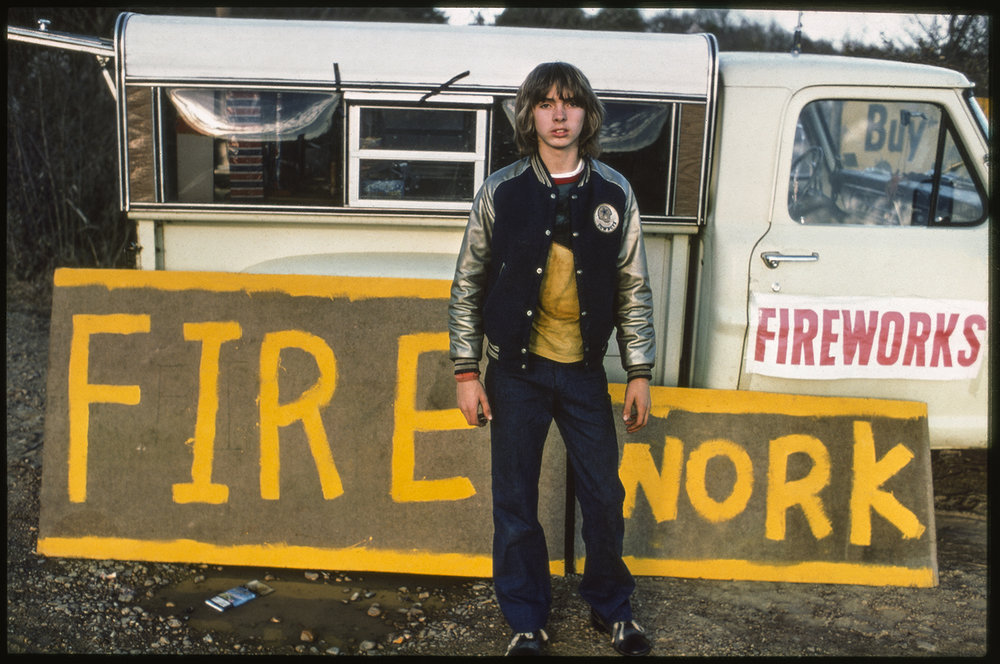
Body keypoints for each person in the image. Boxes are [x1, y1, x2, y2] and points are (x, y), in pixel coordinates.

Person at [448, 61, 655, 657]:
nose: (558, 114)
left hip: (585, 372)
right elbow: (467, 284)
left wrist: (638, 371)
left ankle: (612, 610)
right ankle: (526, 620)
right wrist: (466, 372)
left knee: (604, 498)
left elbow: (632, 288)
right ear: (529, 114)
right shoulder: (501, 191)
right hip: (515, 371)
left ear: (586, 114)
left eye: (569, 102)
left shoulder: (614, 192)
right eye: (545, 102)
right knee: (515, 501)